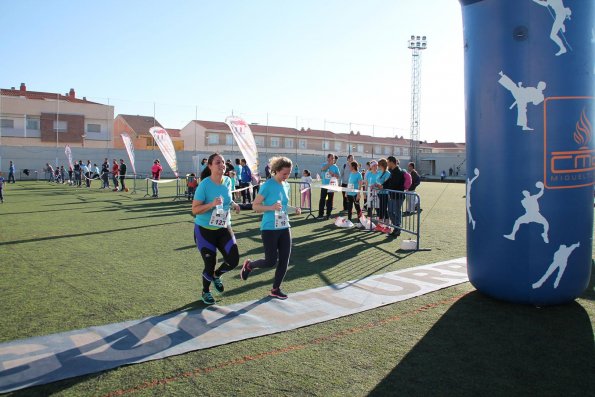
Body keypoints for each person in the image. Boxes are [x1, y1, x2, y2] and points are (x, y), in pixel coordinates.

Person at [240, 156, 301, 300]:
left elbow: (284, 206)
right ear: (276, 171)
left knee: (285, 259)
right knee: (270, 261)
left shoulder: (286, 185)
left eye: (289, 173)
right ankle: (250, 265)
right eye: (284, 173)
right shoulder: (267, 185)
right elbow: (255, 206)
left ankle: (275, 289)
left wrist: (295, 209)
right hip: (269, 228)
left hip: (284, 226)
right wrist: (271, 207)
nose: (287, 176)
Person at [192, 153, 241, 305]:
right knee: (209, 264)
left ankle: (216, 275)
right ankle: (205, 291)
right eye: (218, 162)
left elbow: (227, 197)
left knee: (233, 260)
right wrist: (211, 205)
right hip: (205, 230)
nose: (222, 165)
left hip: (224, 227)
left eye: (223, 162)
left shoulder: (227, 180)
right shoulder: (204, 185)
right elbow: (195, 210)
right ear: (210, 166)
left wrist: (233, 204)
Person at [382, 156, 405, 237]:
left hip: (398, 196)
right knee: (390, 212)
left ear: (392, 162)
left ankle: (397, 229)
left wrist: (385, 186)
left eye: (388, 162)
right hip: (392, 195)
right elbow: (389, 182)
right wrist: (382, 185)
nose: (387, 163)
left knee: (396, 212)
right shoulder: (392, 171)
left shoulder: (399, 171)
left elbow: (394, 184)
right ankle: (396, 228)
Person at [318, 153, 340, 219]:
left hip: (331, 186)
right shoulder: (324, 164)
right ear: (328, 158)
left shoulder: (335, 167)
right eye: (331, 158)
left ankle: (328, 214)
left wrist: (333, 174)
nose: (333, 159)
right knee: (322, 200)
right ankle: (320, 214)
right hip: (324, 185)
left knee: (330, 200)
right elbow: (323, 169)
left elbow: (338, 176)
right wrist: (329, 164)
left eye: (333, 158)